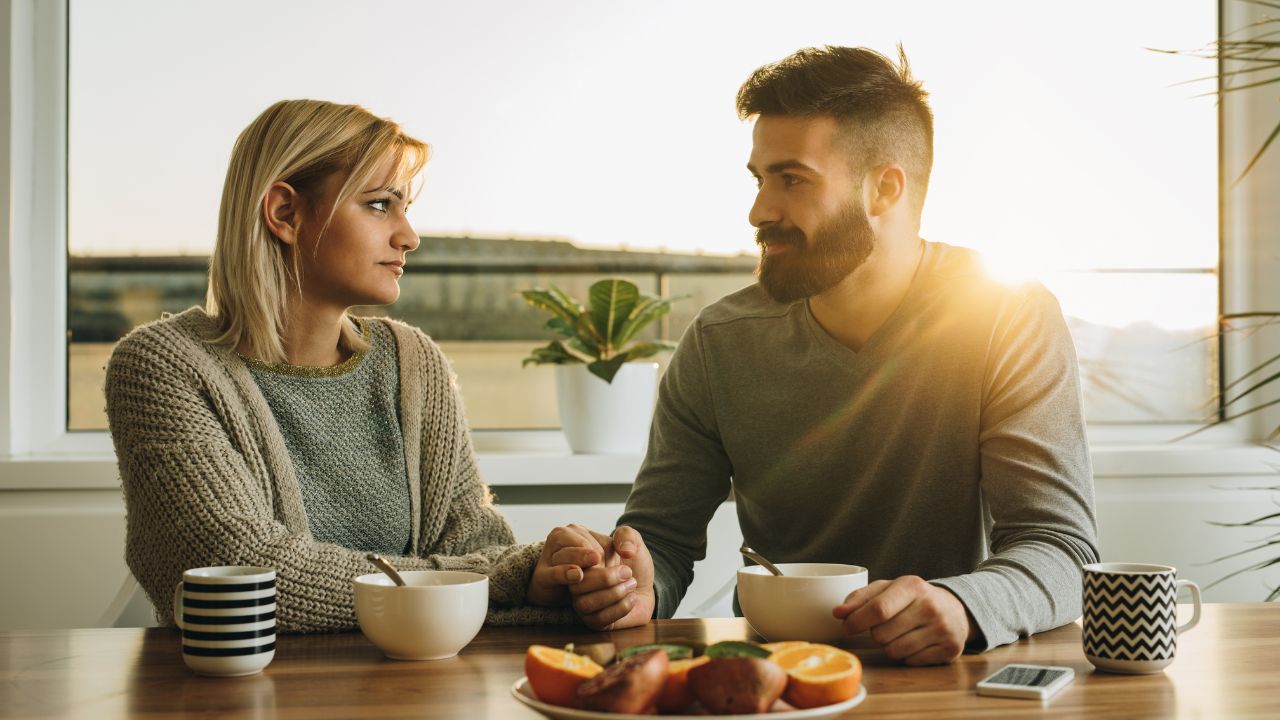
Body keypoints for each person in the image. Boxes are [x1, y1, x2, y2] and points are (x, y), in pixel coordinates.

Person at [579, 46, 1100, 663]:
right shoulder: (721, 340)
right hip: (773, 678)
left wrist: (965, 605)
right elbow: (661, 541)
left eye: (791, 179)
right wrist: (635, 586)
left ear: (884, 188)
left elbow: (1060, 546)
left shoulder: (1006, 314)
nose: (758, 211)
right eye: (759, 178)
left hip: (944, 678)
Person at [105, 99, 628, 633]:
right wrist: (506, 578)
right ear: (284, 213)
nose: (409, 236)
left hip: (421, 693)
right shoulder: (162, 366)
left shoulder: (414, 363)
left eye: (405, 208)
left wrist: (561, 576)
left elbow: (479, 546)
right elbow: (244, 571)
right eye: (380, 204)